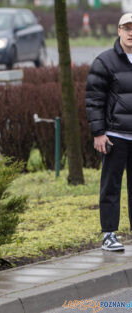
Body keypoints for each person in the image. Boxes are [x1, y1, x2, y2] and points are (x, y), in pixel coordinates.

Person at [85, 13, 132, 251]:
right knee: (111, 186)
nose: (131, 32)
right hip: (115, 136)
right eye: (127, 28)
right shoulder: (104, 62)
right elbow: (94, 100)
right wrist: (98, 133)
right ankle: (109, 235)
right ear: (119, 30)